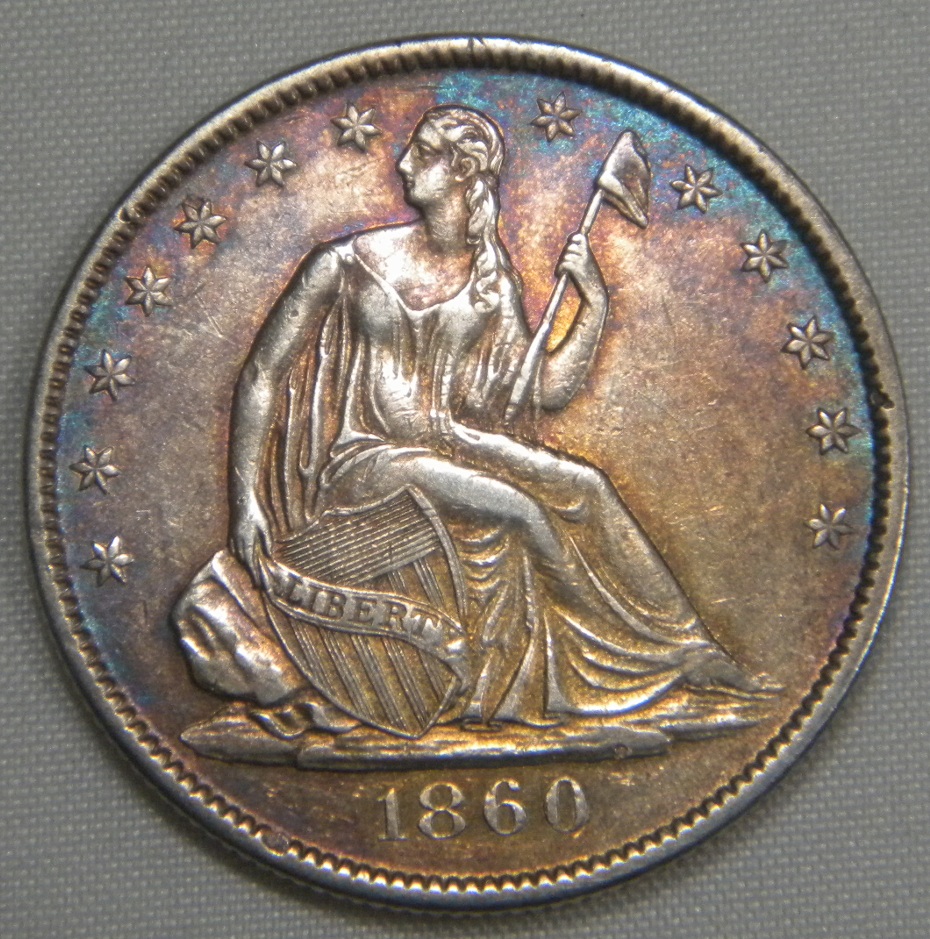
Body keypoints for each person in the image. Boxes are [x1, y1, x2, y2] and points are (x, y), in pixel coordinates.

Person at [174, 105, 761, 744]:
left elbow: (543, 391)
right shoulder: (344, 262)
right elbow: (262, 373)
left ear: (463, 171)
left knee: (586, 486)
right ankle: (634, 661)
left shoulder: (491, 278)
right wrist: (246, 503)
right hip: (367, 460)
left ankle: (688, 647)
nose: (403, 165)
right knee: (521, 512)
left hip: (448, 442)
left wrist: (592, 303)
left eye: (423, 152)